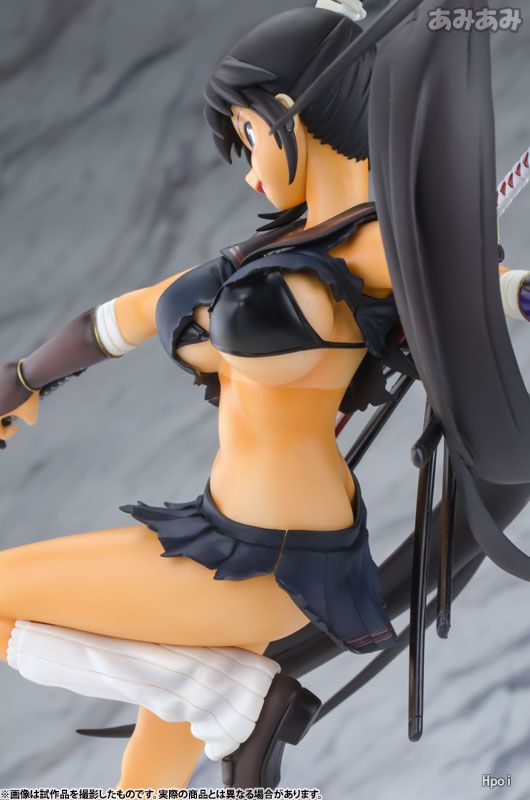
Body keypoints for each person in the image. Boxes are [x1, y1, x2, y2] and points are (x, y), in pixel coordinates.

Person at [1, 0, 530, 790]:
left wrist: (513, 291)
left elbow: (487, 289)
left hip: (270, 559)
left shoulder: (382, 248)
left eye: (249, 137)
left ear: (288, 112)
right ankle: (219, 694)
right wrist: (21, 380)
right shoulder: (264, 250)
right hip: (222, 534)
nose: (250, 171)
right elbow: (118, 320)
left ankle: (234, 697)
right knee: (148, 769)